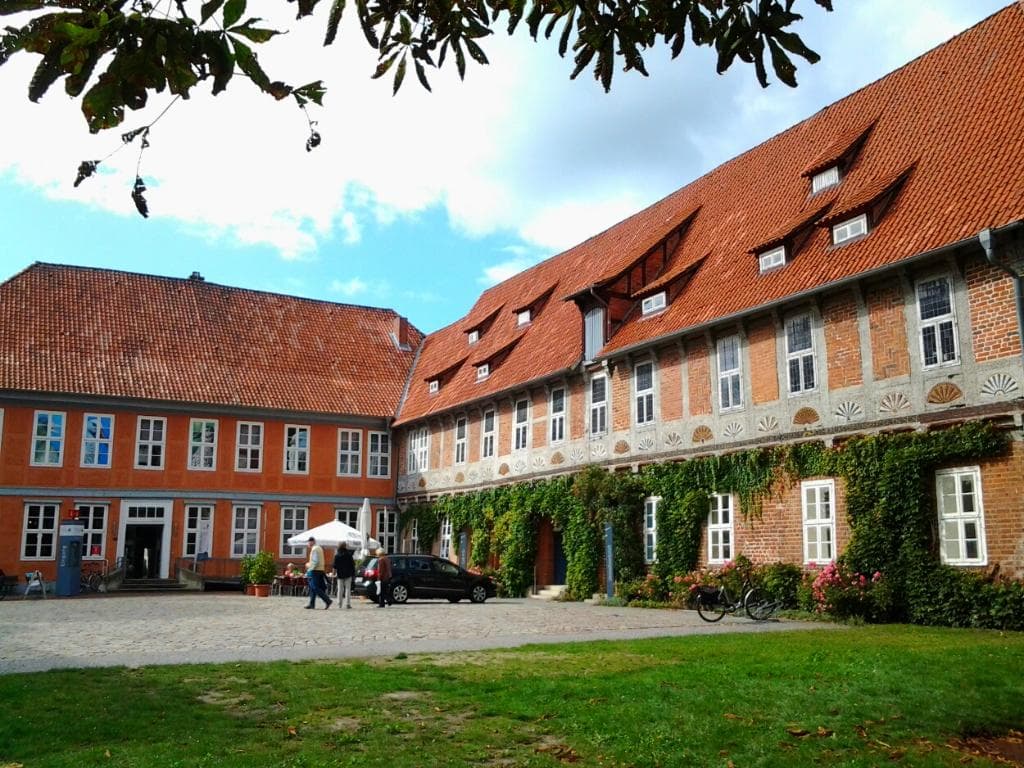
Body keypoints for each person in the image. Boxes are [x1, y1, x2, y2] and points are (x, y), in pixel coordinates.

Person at [304, 536, 332, 610]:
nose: (308, 543)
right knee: (312, 588)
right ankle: (311, 604)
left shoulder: (314, 549)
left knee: (314, 587)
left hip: (315, 570)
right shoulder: (319, 548)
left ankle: (327, 600)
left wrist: (309, 568)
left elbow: (315, 561)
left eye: (309, 542)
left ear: (312, 542)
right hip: (320, 570)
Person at [332, 542, 355, 609]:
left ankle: (339, 604)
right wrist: (353, 573)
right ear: (345, 546)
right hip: (348, 574)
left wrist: (333, 573)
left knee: (340, 589)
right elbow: (353, 565)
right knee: (348, 589)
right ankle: (347, 604)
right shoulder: (349, 555)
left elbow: (334, 566)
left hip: (340, 574)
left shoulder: (337, 555)